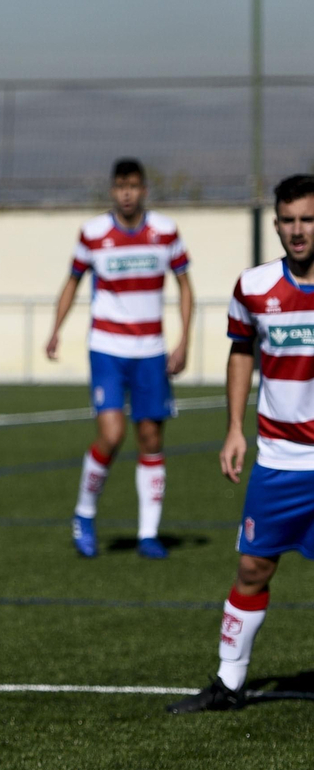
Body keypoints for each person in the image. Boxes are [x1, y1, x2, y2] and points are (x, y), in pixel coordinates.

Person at [168, 174, 314, 714]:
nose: (298, 231)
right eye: (289, 220)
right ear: (276, 224)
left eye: (308, 219)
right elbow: (241, 354)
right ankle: (229, 684)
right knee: (253, 568)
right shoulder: (253, 287)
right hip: (278, 460)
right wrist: (234, 428)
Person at [46, 157, 193, 560]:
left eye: (133, 185)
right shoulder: (93, 234)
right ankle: (85, 513)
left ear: (144, 189)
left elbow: (185, 287)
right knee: (112, 434)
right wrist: (56, 329)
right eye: (120, 186)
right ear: (112, 190)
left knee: (150, 437)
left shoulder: (165, 232)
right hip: (108, 348)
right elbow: (72, 282)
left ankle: (148, 533)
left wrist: (183, 342)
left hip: (151, 350)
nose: (126, 193)